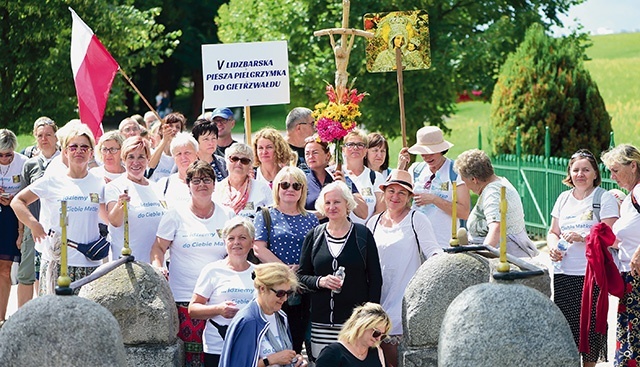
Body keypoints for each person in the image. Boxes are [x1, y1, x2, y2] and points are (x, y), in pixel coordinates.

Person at [150, 161, 234, 367]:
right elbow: (158, 248)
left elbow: (237, 250)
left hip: (219, 299)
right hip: (186, 299)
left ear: (215, 184)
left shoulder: (228, 215)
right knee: (191, 359)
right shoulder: (175, 215)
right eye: (196, 180)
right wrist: (159, 266)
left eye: (207, 180)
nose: (202, 185)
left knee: (221, 356)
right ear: (188, 185)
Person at [12, 124, 107, 295]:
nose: (79, 151)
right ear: (65, 152)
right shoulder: (52, 180)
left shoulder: (99, 182)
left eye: (84, 147)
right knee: (55, 318)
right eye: (73, 146)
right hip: (58, 262)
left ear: (91, 153)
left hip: (90, 263)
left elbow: (108, 218)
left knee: (88, 319)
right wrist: (33, 224)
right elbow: (17, 201)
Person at [547, 149, 618, 366]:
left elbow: (612, 237)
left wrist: (583, 237)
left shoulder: (603, 198)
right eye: (576, 170)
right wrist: (552, 248)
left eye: (586, 170)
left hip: (591, 275)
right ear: (569, 172)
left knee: (591, 329)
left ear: (595, 173)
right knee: (566, 330)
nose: (580, 174)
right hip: (564, 275)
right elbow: (553, 232)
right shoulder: (563, 198)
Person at [298, 181, 383, 360]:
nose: (332, 207)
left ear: (347, 204)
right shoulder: (314, 236)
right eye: (327, 203)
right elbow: (300, 277)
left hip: (354, 325)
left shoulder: (362, 235)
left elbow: (375, 279)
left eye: (337, 202)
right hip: (321, 325)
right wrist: (319, 281)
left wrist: (370, 320)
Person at [366, 170, 441, 366]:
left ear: (409, 197)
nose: (395, 197)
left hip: (403, 302)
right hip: (377, 300)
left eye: (402, 193)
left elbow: (434, 252)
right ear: (384, 193)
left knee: (396, 359)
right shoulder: (373, 222)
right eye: (391, 191)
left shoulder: (417, 219)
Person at [253, 166, 320, 352]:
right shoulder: (265, 214)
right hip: (274, 285)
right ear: (277, 188)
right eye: (285, 185)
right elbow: (259, 248)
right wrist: (284, 271)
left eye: (296, 186)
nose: (290, 189)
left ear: (302, 190)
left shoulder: (311, 220)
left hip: (303, 289)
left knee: (296, 340)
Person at [189, 217, 257, 367]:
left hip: (251, 345)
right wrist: (219, 309)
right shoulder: (212, 270)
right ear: (225, 242)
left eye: (242, 238)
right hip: (217, 346)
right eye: (231, 238)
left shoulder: (259, 273)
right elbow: (193, 309)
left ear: (252, 242)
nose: (236, 242)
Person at [219, 263, 307, 367]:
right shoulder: (247, 321)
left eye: (289, 293)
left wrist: (295, 359)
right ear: (262, 289)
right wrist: (271, 360)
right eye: (280, 293)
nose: (285, 299)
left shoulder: (281, 316)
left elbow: (283, 353)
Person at [454, 149, 538, 257]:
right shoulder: (498, 184)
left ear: (474, 179)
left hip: (503, 257)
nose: (466, 186)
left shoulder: (492, 192)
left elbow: (496, 228)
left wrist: (482, 257)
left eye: (465, 181)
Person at [398, 126, 470, 247]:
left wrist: (434, 200)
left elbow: (464, 212)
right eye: (423, 152)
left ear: (442, 149)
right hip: (415, 242)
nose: (426, 157)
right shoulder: (416, 170)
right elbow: (394, 197)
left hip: (444, 244)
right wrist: (400, 167)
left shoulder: (455, 171)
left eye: (431, 152)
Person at [601, 144, 640, 366]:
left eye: (615, 170)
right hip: (629, 280)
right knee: (629, 340)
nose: (612, 176)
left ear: (633, 166)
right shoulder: (629, 198)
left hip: (636, 277)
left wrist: (638, 253)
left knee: (632, 344)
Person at [17, 117, 60, 307]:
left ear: (56, 136)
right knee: (33, 273)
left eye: (48, 135)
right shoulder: (30, 165)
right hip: (34, 226)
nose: (44, 139)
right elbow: (21, 201)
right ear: (35, 137)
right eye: (40, 135)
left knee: (56, 273)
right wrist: (23, 230)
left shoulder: (64, 162)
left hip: (58, 227)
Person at [105, 136, 165, 262]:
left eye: (141, 157)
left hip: (155, 264)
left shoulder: (156, 187)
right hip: (128, 265)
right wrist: (119, 206)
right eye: (131, 157)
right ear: (123, 160)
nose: (136, 162)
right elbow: (114, 222)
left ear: (148, 159)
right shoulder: (114, 187)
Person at [304, 137, 367, 221]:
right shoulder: (302, 180)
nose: (311, 156)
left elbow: (363, 213)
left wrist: (346, 188)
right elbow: (295, 212)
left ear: (328, 155)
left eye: (315, 153)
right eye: (307, 153)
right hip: (313, 231)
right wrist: (324, 212)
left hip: (340, 229)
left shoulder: (339, 175)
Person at [0, 129, 27, 324]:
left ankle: (1, 317)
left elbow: (27, 197)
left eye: (8, 154)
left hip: (13, 216)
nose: (4, 158)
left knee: (5, 268)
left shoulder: (23, 163)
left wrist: (21, 232)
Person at [315, 302, 391, 367]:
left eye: (383, 336)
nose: (378, 338)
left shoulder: (378, 352)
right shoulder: (332, 353)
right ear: (362, 326)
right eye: (376, 333)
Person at [213, 143, 273, 219]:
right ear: (226, 161)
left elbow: (273, 215)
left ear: (250, 165)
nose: (238, 163)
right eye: (234, 159)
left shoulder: (262, 188)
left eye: (244, 161)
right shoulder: (216, 189)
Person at [342, 129, 386, 224]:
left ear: (366, 150)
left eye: (360, 145)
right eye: (350, 144)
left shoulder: (375, 177)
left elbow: (381, 211)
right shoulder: (336, 173)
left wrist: (365, 230)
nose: (355, 148)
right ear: (343, 149)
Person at [157, 132, 199, 209]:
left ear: (197, 154)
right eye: (179, 154)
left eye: (187, 153)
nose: (183, 157)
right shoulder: (163, 184)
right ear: (173, 157)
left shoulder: (207, 183)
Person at [147, 112, 185, 182]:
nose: (174, 129)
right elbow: (151, 165)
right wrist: (165, 140)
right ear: (161, 130)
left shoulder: (182, 154)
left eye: (178, 127)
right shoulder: (153, 151)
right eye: (170, 126)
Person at [285, 107, 315, 173]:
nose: (315, 128)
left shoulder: (315, 148)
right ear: (299, 127)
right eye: (312, 124)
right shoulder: (280, 152)